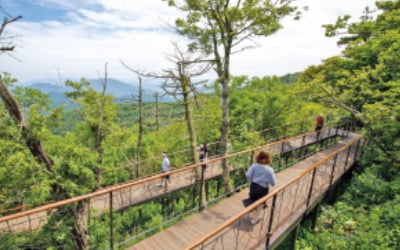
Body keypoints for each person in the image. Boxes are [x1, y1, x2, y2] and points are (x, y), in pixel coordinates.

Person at [244, 151, 276, 225]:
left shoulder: (254, 166)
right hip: (263, 189)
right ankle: (254, 219)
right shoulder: (269, 170)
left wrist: (253, 180)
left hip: (253, 186)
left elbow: (248, 175)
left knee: (253, 199)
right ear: (267, 159)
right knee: (261, 204)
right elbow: (273, 183)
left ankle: (252, 213)